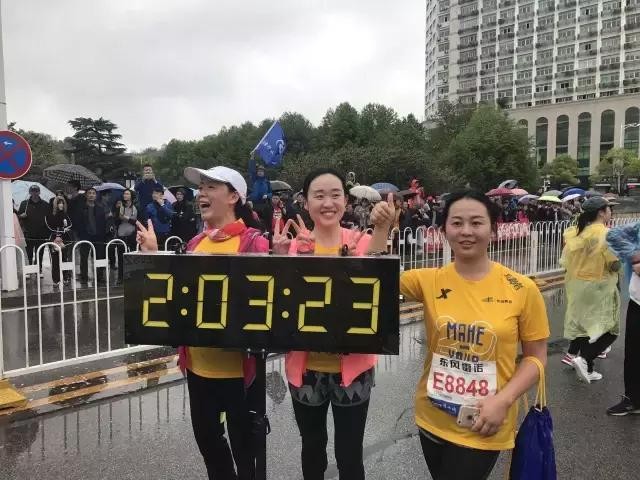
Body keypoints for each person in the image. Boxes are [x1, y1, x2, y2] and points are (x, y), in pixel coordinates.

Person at [368, 189, 550, 480]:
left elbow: (536, 358)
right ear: (444, 230)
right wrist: (381, 228)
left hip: (484, 421)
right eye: (456, 223)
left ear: (493, 229)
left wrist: (503, 401)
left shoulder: (521, 289)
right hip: (432, 417)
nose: (466, 231)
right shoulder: (429, 280)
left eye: (476, 223)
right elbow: (373, 278)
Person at [137, 165, 266, 480]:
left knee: (247, 455)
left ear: (233, 197)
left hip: (240, 375)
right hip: (198, 370)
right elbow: (177, 299)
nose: (201, 194)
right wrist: (153, 255)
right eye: (201, 187)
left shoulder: (255, 244)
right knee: (211, 449)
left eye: (210, 187)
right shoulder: (194, 244)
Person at [271, 168, 388, 480]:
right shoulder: (291, 248)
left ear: (345, 201)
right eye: (318, 195)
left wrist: (383, 228)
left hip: (354, 370)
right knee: (312, 448)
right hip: (305, 369)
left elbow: (381, 283)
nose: (327, 203)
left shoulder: (362, 242)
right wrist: (279, 259)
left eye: (335, 195)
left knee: (349, 454)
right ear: (305, 202)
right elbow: (279, 307)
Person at [560, 196, 621, 383]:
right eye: (609, 209)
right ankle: (585, 359)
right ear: (601, 212)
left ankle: (588, 368)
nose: (610, 212)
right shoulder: (606, 234)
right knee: (610, 329)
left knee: (585, 328)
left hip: (579, 287)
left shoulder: (576, 233)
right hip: (600, 287)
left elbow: (566, 262)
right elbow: (614, 265)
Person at [606, 222, 640, 415]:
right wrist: (634, 255)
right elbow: (614, 235)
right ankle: (633, 399)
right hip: (638, 300)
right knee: (633, 352)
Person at [17, 184, 50, 276]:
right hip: (28, 233)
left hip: (42, 233)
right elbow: (18, 216)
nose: (34, 193)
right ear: (30, 192)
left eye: (36, 191)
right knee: (29, 253)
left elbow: (49, 218)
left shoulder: (45, 204)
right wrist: (21, 216)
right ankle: (29, 269)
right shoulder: (24, 204)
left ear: (39, 192)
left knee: (40, 252)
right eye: (32, 191)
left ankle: (38, 269)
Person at [76, 187, 107, 284]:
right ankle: (84, 277)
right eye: (89, 193)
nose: (91, 195)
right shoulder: (81, 208)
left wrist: (103, 234)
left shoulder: (100, 207)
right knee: (84, 257)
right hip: (85, 236)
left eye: (93, 193)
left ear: (96, 195)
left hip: (98, 236)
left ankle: (99, 276)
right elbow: (78, 222)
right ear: (86, 195)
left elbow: (103, 222)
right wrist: (80, 235)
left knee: (99, 256)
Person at [45, 195, 74, 286]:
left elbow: (69, 224)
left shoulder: (65, 214)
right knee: (55, 260)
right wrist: (60, 230)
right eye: (59, 203)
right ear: (54, 204)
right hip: (53, 239)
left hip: (65, 239)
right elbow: (49, 226)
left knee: (65, 259)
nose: (61, 205)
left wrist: (62, 230)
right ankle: (56, 280)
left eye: (62, 203)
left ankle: (66, 278)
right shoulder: (49, 214)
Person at [114, 189, 138, 282]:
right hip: (121, 234)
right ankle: (120, 277)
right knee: (121, 256)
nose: (125, 195)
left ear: (131, 196)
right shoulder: (119, 206)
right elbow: (116, 220)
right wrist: (118, 212)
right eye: (124, 194)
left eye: (127, 194)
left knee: (132, 256)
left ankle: (133, 276)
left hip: (132, 234)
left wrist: (125, 218)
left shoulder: (136, 207)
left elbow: (136, 221)